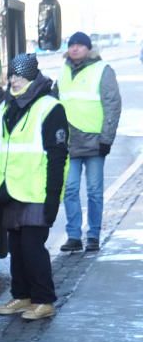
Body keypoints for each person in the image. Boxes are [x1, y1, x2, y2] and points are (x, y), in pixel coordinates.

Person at [0, 54, 68, 321]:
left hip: (36, 191)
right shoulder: (4, 109)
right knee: (17, 249)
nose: (15, 80)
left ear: (33, 78)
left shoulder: (49, 107)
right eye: (12, 75)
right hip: (10, 189)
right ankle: (22, 296)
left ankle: (44, 300)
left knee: (33, 247)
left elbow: (58, 156)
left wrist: (53, 196)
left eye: (21, 76)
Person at [56, 32, 122, 252]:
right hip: (69, 141)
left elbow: (112, 105)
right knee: (70, 190)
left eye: (79, 45)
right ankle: (73, 235)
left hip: (95, 142)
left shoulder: (102, 70)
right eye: (71, 45)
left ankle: (93, 235)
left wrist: (106, 139)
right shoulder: (63, 71)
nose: (75, 48)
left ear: (88, 48)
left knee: (94, 191)